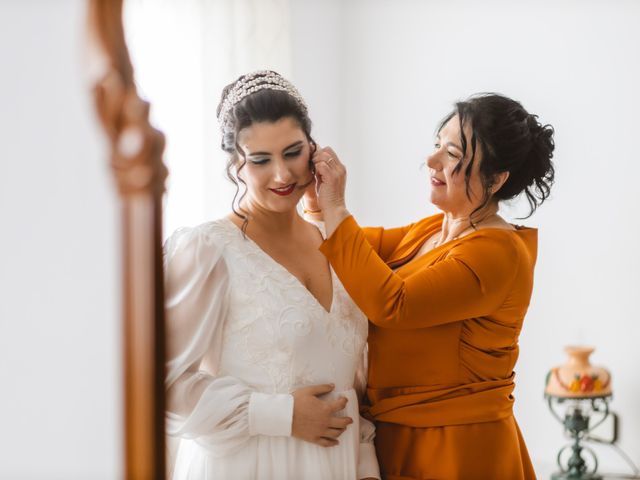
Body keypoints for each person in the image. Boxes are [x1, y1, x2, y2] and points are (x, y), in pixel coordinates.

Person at [307, 93, 555, 479]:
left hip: (458, 450)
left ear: (495, 179)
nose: (432, 160)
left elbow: (393, 303)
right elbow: (346, 250)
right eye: (438, 145)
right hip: (399, 439)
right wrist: (316, 205)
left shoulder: (498, 251)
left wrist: (335, 205)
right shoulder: (432, 229)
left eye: (452, 154)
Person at [163, 70, 380, 480]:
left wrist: (365, 464)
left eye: (293, 152)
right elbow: (162, 385)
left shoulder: (337, 244)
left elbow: (353, 385)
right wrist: (280, 415)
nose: (282, 175)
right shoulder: (209, 250)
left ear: (315, 150)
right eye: (261, 160)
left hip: (337, 465)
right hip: (250, 465)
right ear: (235, 165)